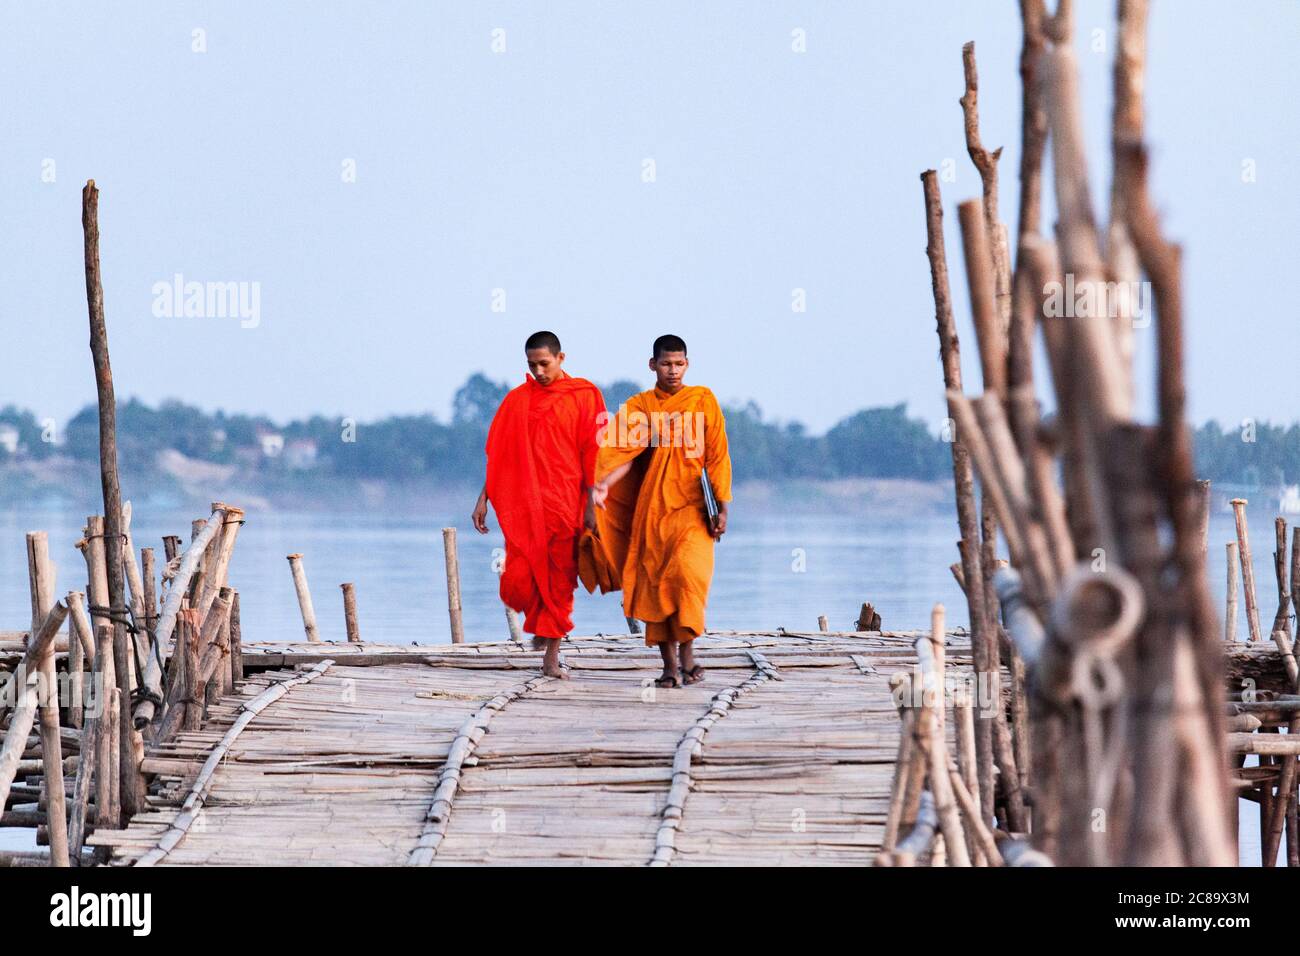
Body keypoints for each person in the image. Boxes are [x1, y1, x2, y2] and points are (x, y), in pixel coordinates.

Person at [591, 334, 732, 687]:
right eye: (666, 364)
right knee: (656, 585)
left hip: (693, 507)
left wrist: (723, 506)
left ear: (688, 364)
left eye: (679, 364)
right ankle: (670, 667)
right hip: (653, 509)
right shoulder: (640, 407)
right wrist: (602, 483)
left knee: (688, 577)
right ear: (652, 365)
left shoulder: (702, 401)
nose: (673, 371)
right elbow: (622, 454)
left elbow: (717, 456)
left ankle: (689, 656)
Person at [472, 331, 605, 678]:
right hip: (526, 505)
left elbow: (594, 452)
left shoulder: (584, 396)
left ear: (562, 358)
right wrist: (484, 497)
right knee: (517, 578)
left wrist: (593, 503)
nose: (539, 371)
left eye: (544, 364)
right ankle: (542, 625)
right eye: (532, 365)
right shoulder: (518, 401)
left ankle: (550, 656)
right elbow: (501, 457)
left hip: (566, 503)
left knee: (560, 580)